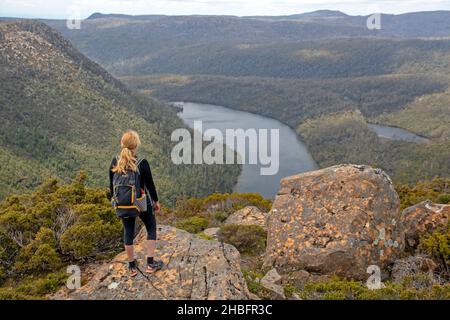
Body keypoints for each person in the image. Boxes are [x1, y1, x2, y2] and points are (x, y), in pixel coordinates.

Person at [109, 130, 163, 277]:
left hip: (123, 204)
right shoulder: (141, 162)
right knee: (151, 227)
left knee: (128, 231)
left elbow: (111, 187)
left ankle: (132, 267)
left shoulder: (115, 161)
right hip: (140, 202)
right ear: (136, 145)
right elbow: (150, 185)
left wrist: (117, 203)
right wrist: (156, 201)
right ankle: (150, 264)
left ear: (122, 144)